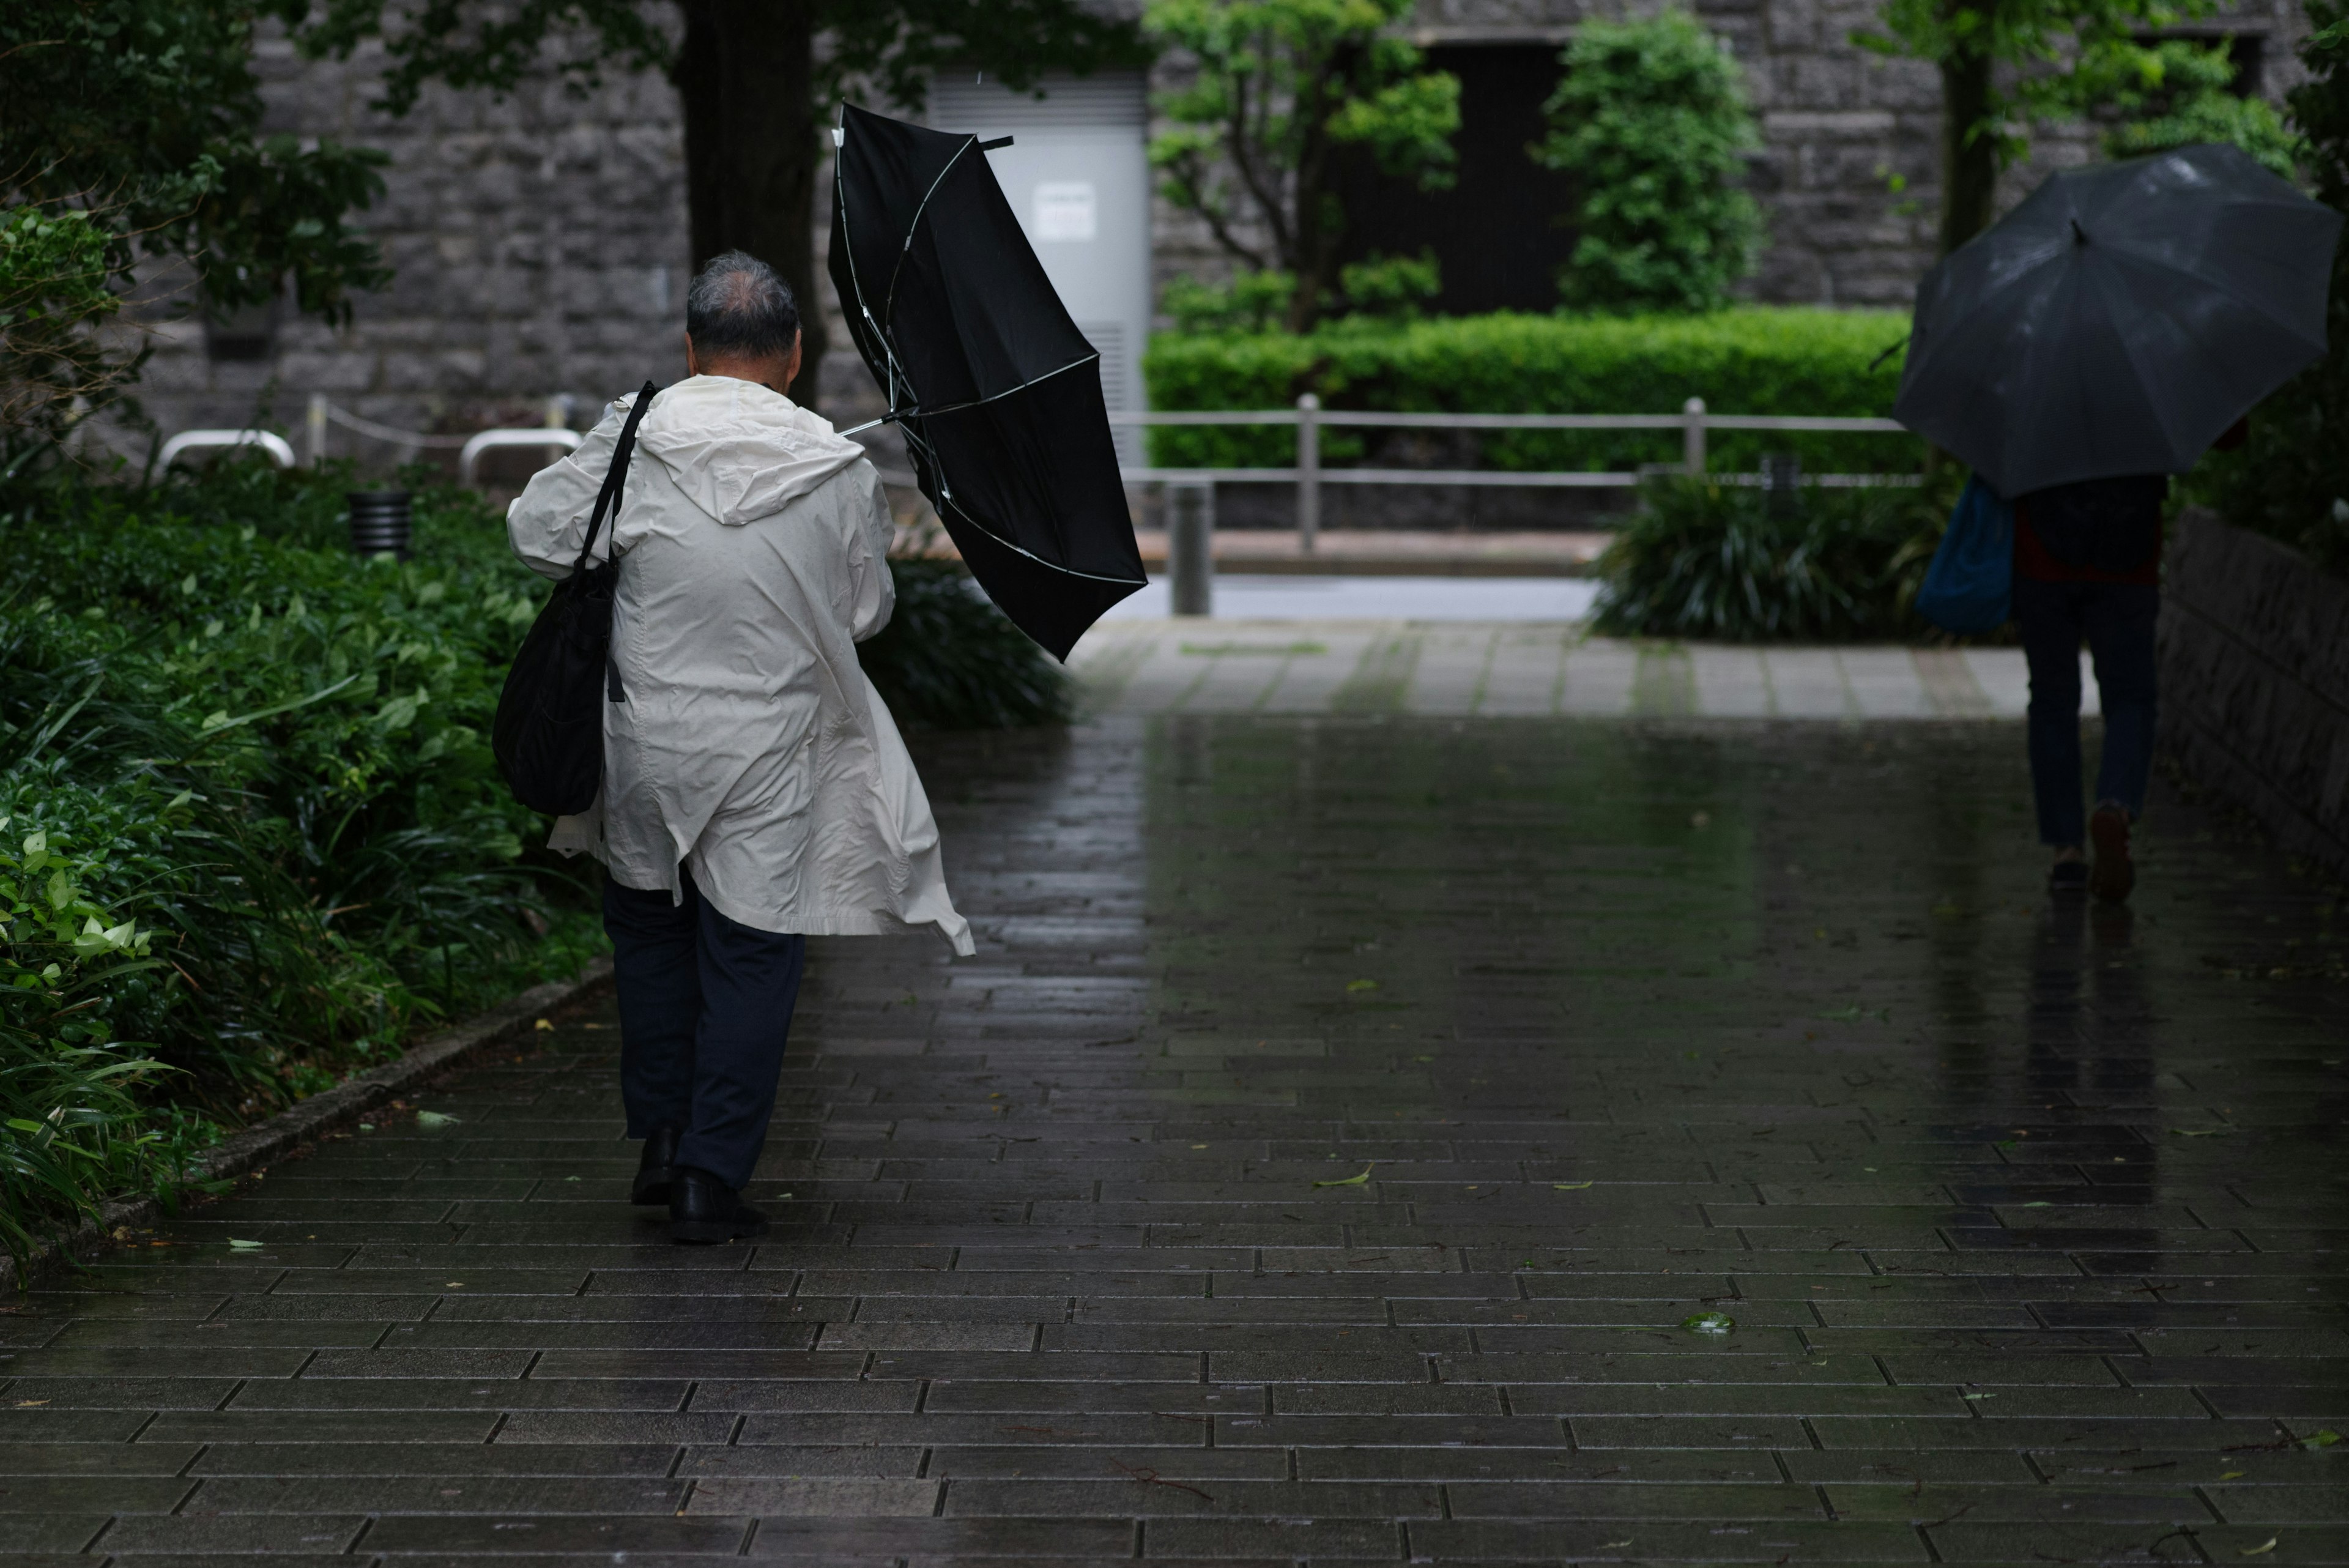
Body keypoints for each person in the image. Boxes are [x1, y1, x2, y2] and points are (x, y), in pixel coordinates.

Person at [507, 251, 973, 1245]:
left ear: (688, 347)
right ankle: (709, 1179)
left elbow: (538, 536)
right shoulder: (837, 466)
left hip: (644, 738)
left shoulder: (633, 438)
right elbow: (862, 612)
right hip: (770, 744)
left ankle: (662, 1141)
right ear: (795, 356)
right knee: (753, 951)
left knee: (650, 939)